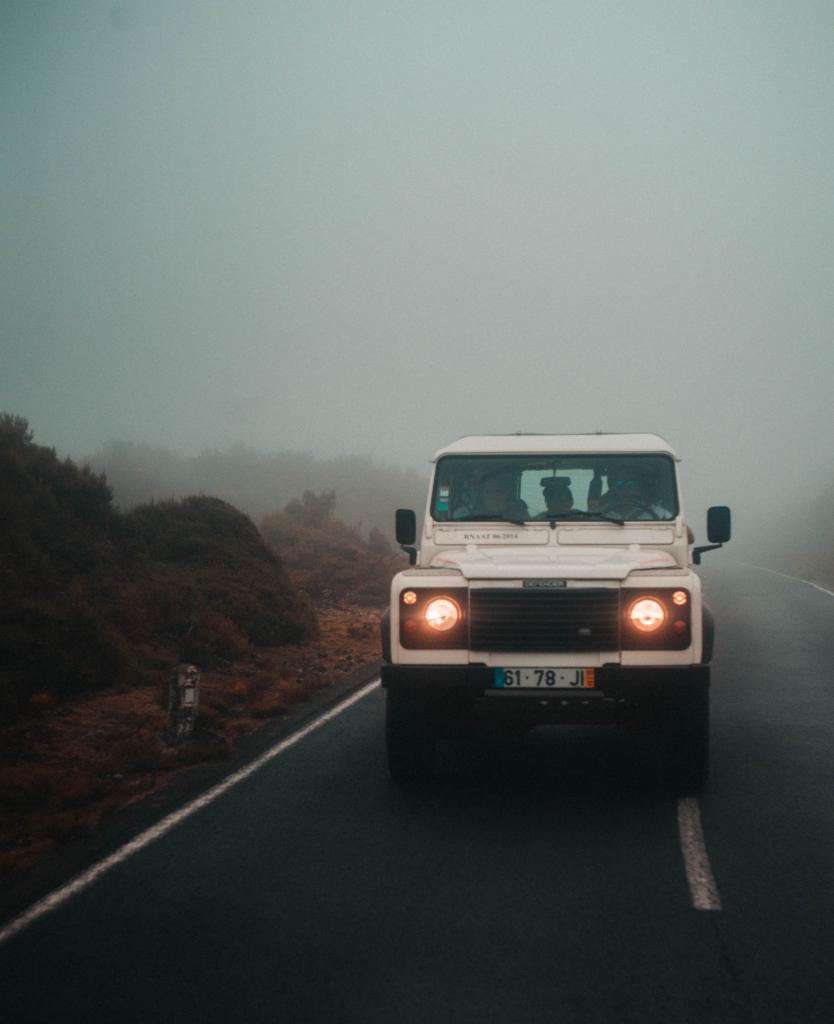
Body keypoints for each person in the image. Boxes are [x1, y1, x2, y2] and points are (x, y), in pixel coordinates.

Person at [452, 472, 529, 521]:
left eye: (498, 491)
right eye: (489, 492)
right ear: (482, 496)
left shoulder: (518, 514)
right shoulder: (466, 515)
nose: (494, 496)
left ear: (506, 494)